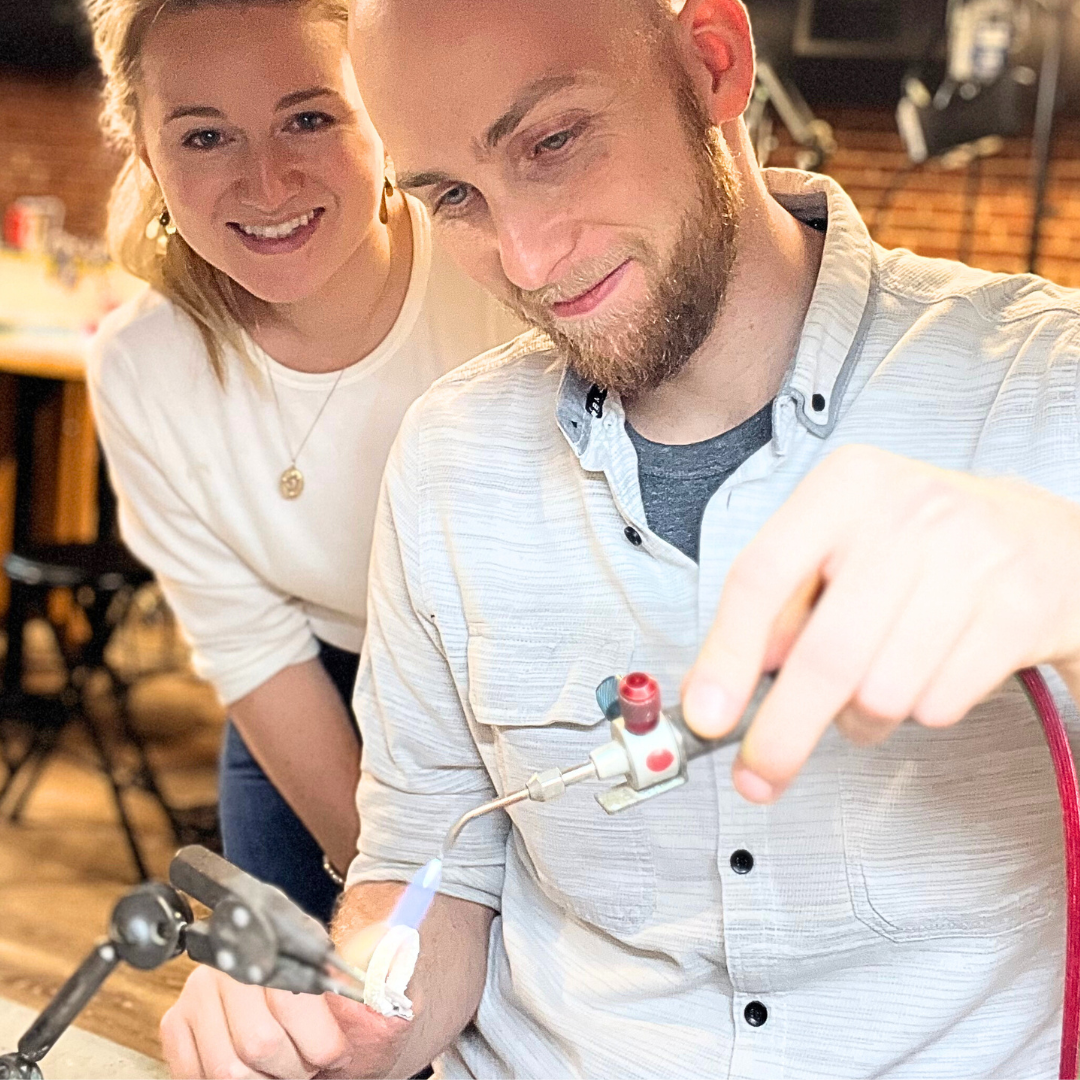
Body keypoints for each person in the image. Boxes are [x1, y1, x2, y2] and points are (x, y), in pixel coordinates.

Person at [160, 0, 1080, 1076]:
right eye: (453, 196)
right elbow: (431, 875)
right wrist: (336, 1018)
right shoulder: (449, 460)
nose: (526, 256)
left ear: (713, 62)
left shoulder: (1041, 390)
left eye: (552, 143)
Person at [84, 0, 519, 923]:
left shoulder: (503, 272)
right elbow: (255, 648)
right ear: (146, 151)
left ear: (384, 115)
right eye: (205, 137)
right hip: (315, 695)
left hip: (525, 696)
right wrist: (396, 909)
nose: (267, 181)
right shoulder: (141, 369)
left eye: (309, 118)